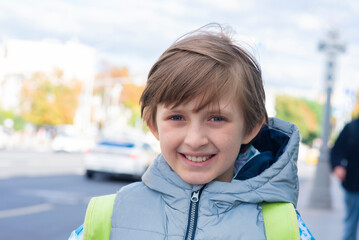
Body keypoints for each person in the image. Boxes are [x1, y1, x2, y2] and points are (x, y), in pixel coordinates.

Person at [69, 24, 314, 240]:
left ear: (251, 127)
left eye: (216, 118)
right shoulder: (107, 219)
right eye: (177, 117)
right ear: (153, 125)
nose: (195, 140)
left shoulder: (283, 229)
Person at [330, 118, 359, 240]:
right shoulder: (352, 127)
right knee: (350, 227)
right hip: (354, 185)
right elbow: (336, 151)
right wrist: (338, 166)